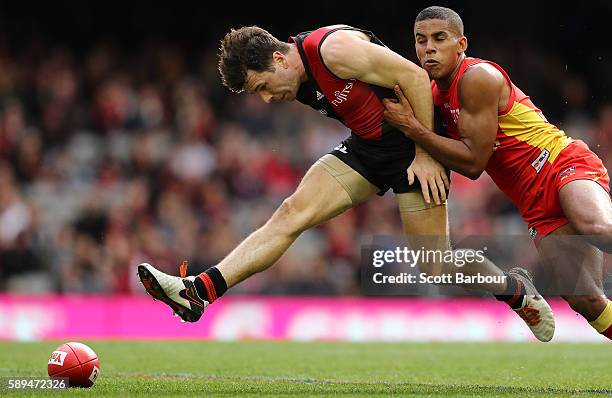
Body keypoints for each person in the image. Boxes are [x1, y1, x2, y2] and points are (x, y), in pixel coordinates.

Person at [137, 24, 554, 341]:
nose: (266, 99)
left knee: (435, 264)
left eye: (263, 86)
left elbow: (413, 77)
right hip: (367, 151)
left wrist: (428, 153)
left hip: (413, 146)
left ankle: (515, 290)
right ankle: (200, 292)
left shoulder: (333, 49)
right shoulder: (295, 74)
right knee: (290, 213)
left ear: (279, 60)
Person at [383, 6, 612, 339]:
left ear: (461, 44)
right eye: (420, 40)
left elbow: (474, 164)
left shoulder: (477, 78)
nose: (428, 48)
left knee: (595, 227)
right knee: (585, 299)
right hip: (533, 203)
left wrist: (414, 130)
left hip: (559, 162)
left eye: (439, 38)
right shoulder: (432, 95)